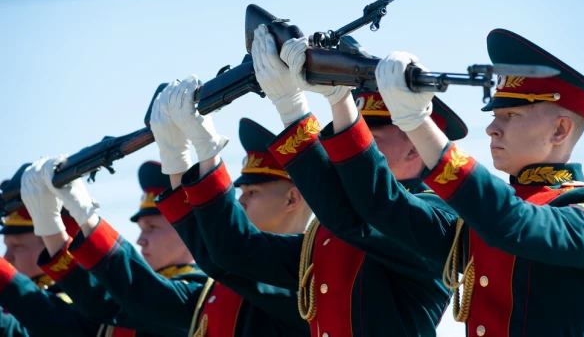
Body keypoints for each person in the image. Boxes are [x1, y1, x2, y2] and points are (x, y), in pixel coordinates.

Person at [158, 24, 467, 336]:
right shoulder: (328, 236)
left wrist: (297, 109)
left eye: (369, 139)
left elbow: (366, 213)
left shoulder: (439, 217)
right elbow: (231, 253)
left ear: (415, 147)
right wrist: (192, 159)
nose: (355, 147)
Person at [330, 28, 584, 336]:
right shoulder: (487, 212)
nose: (493, 128)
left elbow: (513, 223)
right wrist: (334, 102)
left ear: (560, 131)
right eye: (495, 115)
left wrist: (415, 121)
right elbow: (379, 205)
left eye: (511, 115)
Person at [148, 80, 312, 336]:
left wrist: (205, 152)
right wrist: (175, 155)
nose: (240, 201)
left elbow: (228, 253)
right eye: (242, 192)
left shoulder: (308, 275)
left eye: (252, 192)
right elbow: (218, 250)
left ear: (292, 199)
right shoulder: (233, 267)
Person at [22, 160, 206, 337]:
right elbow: (96, 303)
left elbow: (139, 295)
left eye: (152, 227)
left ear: (184, 229)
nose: (140, 240)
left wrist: (86, 217)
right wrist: (49, 226)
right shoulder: (133, 293)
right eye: (141, 229)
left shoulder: (202, 291)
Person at [0, 178, 100, 336]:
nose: (6, 257)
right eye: (6, 246)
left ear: (49, 247)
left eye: (17, 246)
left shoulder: (77, 303)